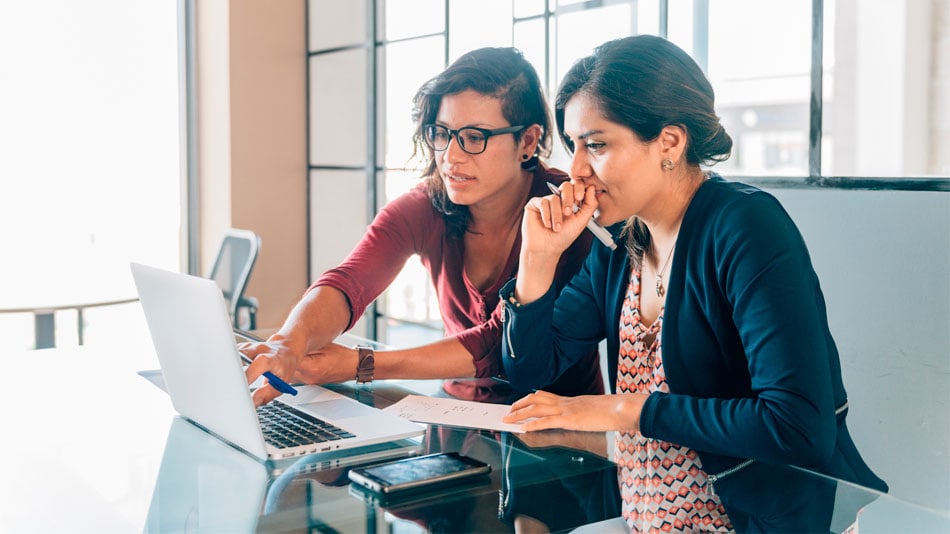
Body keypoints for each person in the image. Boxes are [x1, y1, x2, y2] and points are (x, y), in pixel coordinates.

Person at [499, 35, 888, 532]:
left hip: (749, 524)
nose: (575, 170)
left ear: (670, 142)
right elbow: (530, 370)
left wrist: (625, 409)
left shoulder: (746, 228)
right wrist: (536, 260)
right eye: (574, 145)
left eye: (596, 145)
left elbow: (797, 426)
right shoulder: (622, 242)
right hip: (645, 521)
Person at [240, 46, 603, 406]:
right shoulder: (428, 203)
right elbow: (349, 281)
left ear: (527, 141)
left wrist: (361, 364)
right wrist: (288, 343)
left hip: (558, 432)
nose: (450, 156)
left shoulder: (567, 213)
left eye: (474, 137)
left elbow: (497, 344)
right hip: (455, 412)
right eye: (442, 133)